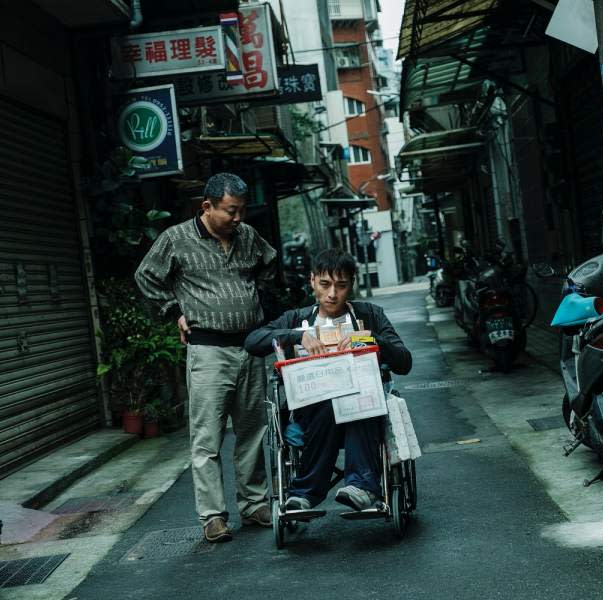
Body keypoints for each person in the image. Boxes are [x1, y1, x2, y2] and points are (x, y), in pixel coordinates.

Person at [134, 173, 276, 543]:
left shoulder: (247, 236)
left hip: (250, 346)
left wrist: (254, 295)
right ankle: (213, 515)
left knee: (252, 432)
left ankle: (254, 503)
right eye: (231, 211)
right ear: (207, 207)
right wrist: (173, 311)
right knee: (207, 438)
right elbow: (146, 276)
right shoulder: (175, 239)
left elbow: (268, 264)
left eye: (242, 210)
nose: (238, 218)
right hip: (208, 350)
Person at [244, 248, 412, 511]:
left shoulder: (369, 315)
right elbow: (252, 341)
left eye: (341, 286)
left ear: (351, 285)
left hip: (363, 406)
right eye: (325, 284)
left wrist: (372, 340)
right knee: (329, 402)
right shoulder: (297, 319)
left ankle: (357, 486)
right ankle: (311, 491)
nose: (333, 294)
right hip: (313, 411)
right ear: (312, 281)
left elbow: (404, 361)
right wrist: (296, 336)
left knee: (359, 399)